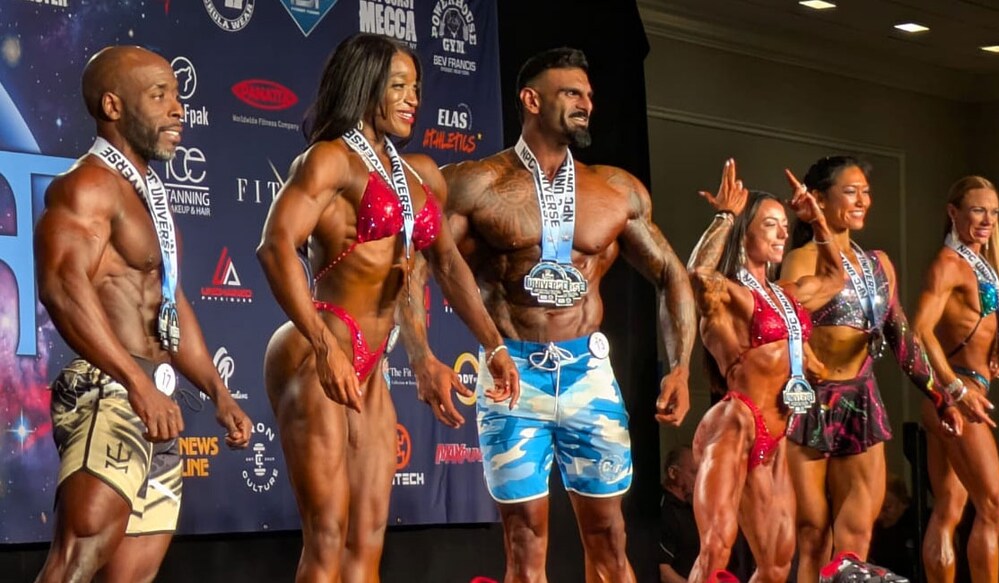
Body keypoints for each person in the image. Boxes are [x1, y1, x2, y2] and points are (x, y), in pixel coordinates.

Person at [255, 33, 517, 582]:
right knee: (327, 541)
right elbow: (274, 245)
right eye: (398, 86)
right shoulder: (331, 161)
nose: (412, 98)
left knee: (366, 547)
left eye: (416, 88)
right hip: (317, 347)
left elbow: (444, 266)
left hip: (371, 366)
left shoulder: (421, 175)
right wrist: (325, 348)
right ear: (365, 87)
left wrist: (492, 345)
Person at [435, 47, 696, 583]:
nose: (586, 104)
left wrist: (682, 365)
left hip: (588, 374)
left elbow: (673, 275)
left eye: (589, 96)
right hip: (512, 373)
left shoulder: (616, 190)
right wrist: (424, 357)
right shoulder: (476, 183)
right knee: (524, 539)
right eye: (571, 93)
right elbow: (426, 267)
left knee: (609, 534)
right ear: (531, 99)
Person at [32, 45, 252, 583]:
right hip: (113, 392)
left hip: (157, 398)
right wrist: (134, 383)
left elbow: (170, 307)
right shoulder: (86, 186)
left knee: (130, 577)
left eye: (177, 96)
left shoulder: (149, 196)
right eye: (159, 96)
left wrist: (217, 392)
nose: (178, 109)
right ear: (112, 105)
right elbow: (61, 289)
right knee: (76, 560)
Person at [778, 156, 961, 582]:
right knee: (812, 535)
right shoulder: (802, 261)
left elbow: (901, 337)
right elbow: (783, 322)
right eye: (850, 191)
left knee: (856, 535)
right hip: (812, 403)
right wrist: (799, 351)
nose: (862, 200)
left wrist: (940, 394)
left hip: (860, 400)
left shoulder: (879, 263)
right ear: (818, 199)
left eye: (866, 192)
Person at [685, 159, 845, 583]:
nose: (783, 232)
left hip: (774, 439)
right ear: (745, 233)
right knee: (717, 544)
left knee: (776, 564)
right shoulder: (729, 296)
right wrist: (724, 216)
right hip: (736, 423)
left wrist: (817, 222)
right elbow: (697, 276)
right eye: (770, 225)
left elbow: (834, 277)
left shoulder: (787, 295)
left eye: (784, 225)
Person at [912, 175, 999, 583]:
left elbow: (969, 322)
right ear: (953, 212)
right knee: (994, 506)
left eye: (993, 212)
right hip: (956, 396)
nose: (987, 219)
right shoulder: (948, 264)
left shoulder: (978, 263)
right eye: (977, 210)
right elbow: (919, 330)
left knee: (949, 508)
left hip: (954, 393)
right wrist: (956, 389)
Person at [659, 445, 753, 583]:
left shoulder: (691, 506)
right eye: (694, 472)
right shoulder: (665, 510)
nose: (700, 478)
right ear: (673, 473)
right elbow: (662, 570)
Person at [868, 473, 920, 581]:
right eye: (877, 510)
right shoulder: (874, 530)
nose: (881, 516)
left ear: (903, 502)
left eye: (887, 508)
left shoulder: (920, 523)